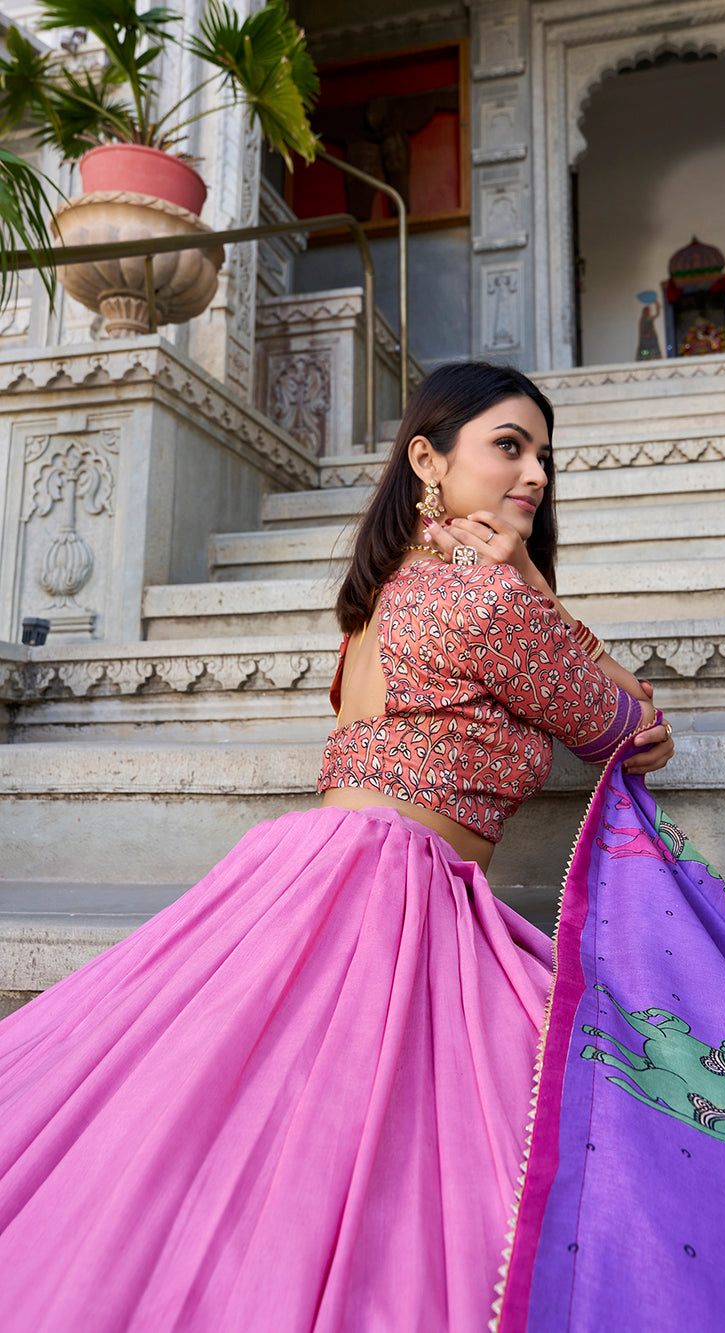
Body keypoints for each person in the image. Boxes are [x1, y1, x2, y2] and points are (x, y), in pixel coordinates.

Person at [0, 361, 673, 1332]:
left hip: (314, 865)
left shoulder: (386, 596)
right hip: (395, 891)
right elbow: (625, 728)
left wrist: (523, 582)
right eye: (509, 446)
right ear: (427, 460)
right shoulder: (488, 605)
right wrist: (530, 585)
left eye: (543, 456)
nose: (534, 474)